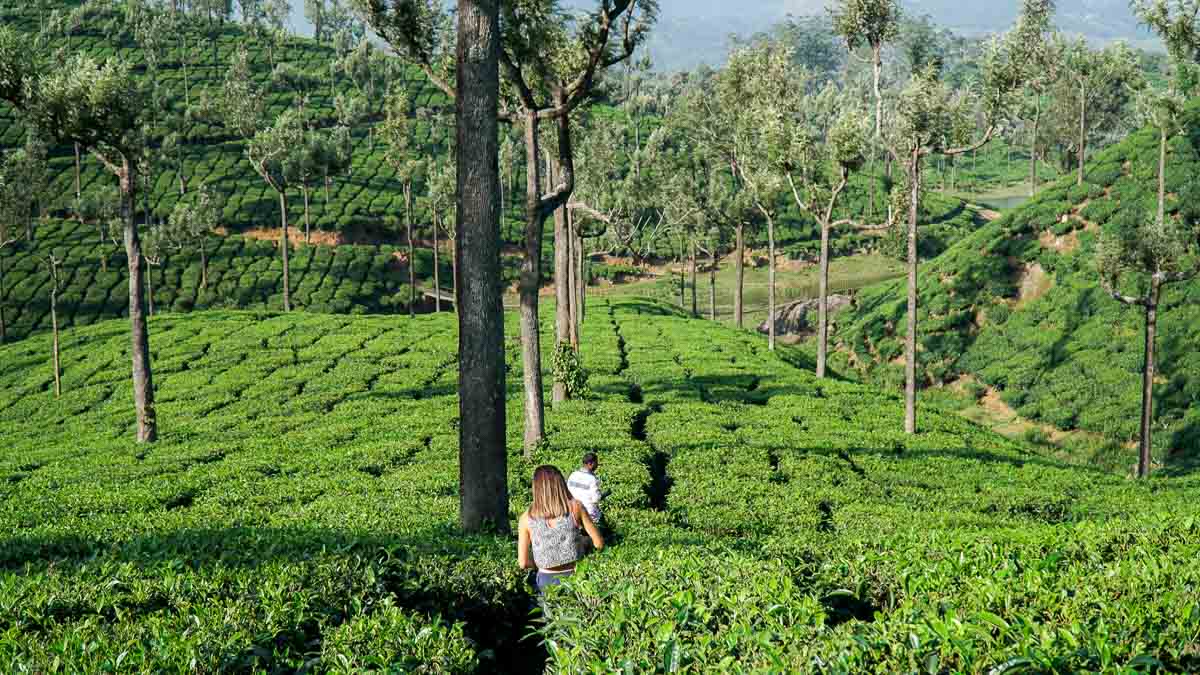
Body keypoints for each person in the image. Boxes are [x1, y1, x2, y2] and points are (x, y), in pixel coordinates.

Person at [518, 465, 604, 594]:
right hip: (576, 577)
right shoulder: (576, 507)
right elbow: (599, 543)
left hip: (546, 580)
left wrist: (540, 563)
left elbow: (523, 562)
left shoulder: (526, 518)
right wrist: (585, 546)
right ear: (560, 484)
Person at [567, 452, 603, 524]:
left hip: (572, 512)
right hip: (589, 514)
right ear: (590, 464)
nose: (597, 466)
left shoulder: (573, 474)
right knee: (602, 521)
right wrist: (602, 495)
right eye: (596, 464)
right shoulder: (592, 479)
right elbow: (596, 499)